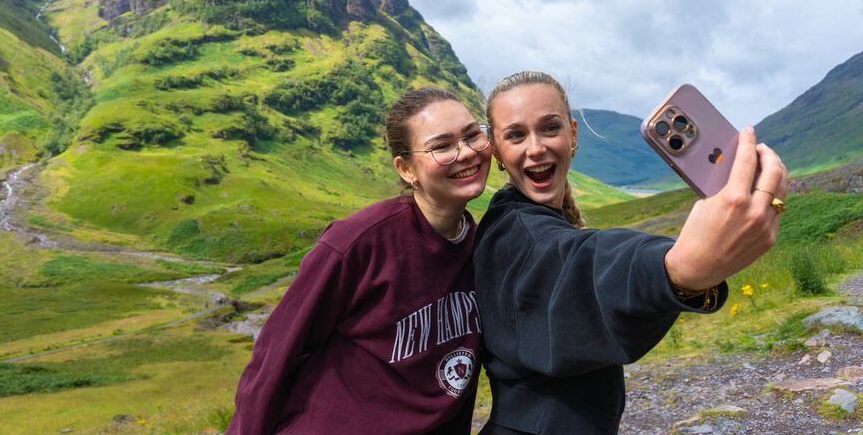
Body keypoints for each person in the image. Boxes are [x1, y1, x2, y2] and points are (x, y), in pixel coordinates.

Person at [474, 71, 787, 435]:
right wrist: (676, 267)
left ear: (573, 134)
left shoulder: (529, 219)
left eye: (549, 128)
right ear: (496, 149)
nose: (535, 148)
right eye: (515, 135)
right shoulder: (514, 233)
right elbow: (579, 266)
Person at [229, 87, 493, 434]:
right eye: (442, 146)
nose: (467, 152)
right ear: (406, 169)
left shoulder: (485, 249)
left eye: (473, 135)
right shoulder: (358, 243)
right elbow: (275, 355)